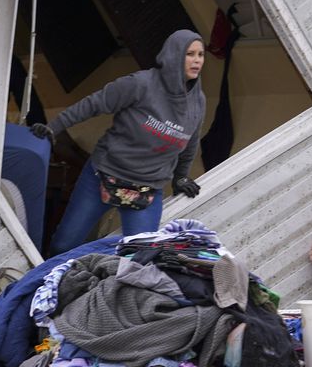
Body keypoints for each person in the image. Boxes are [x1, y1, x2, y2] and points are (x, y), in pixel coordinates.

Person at [33, 29, 206, 255]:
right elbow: (94, 104)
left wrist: (180, 176)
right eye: (190, 54)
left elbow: (189, 143)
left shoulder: (197, 101)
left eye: (201, 55)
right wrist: (53, 127)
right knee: (63, 245)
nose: (197, 60)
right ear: (174, 55)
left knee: (140, 256)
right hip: (104, 176)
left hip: (147, 188)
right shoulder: (141, 84)